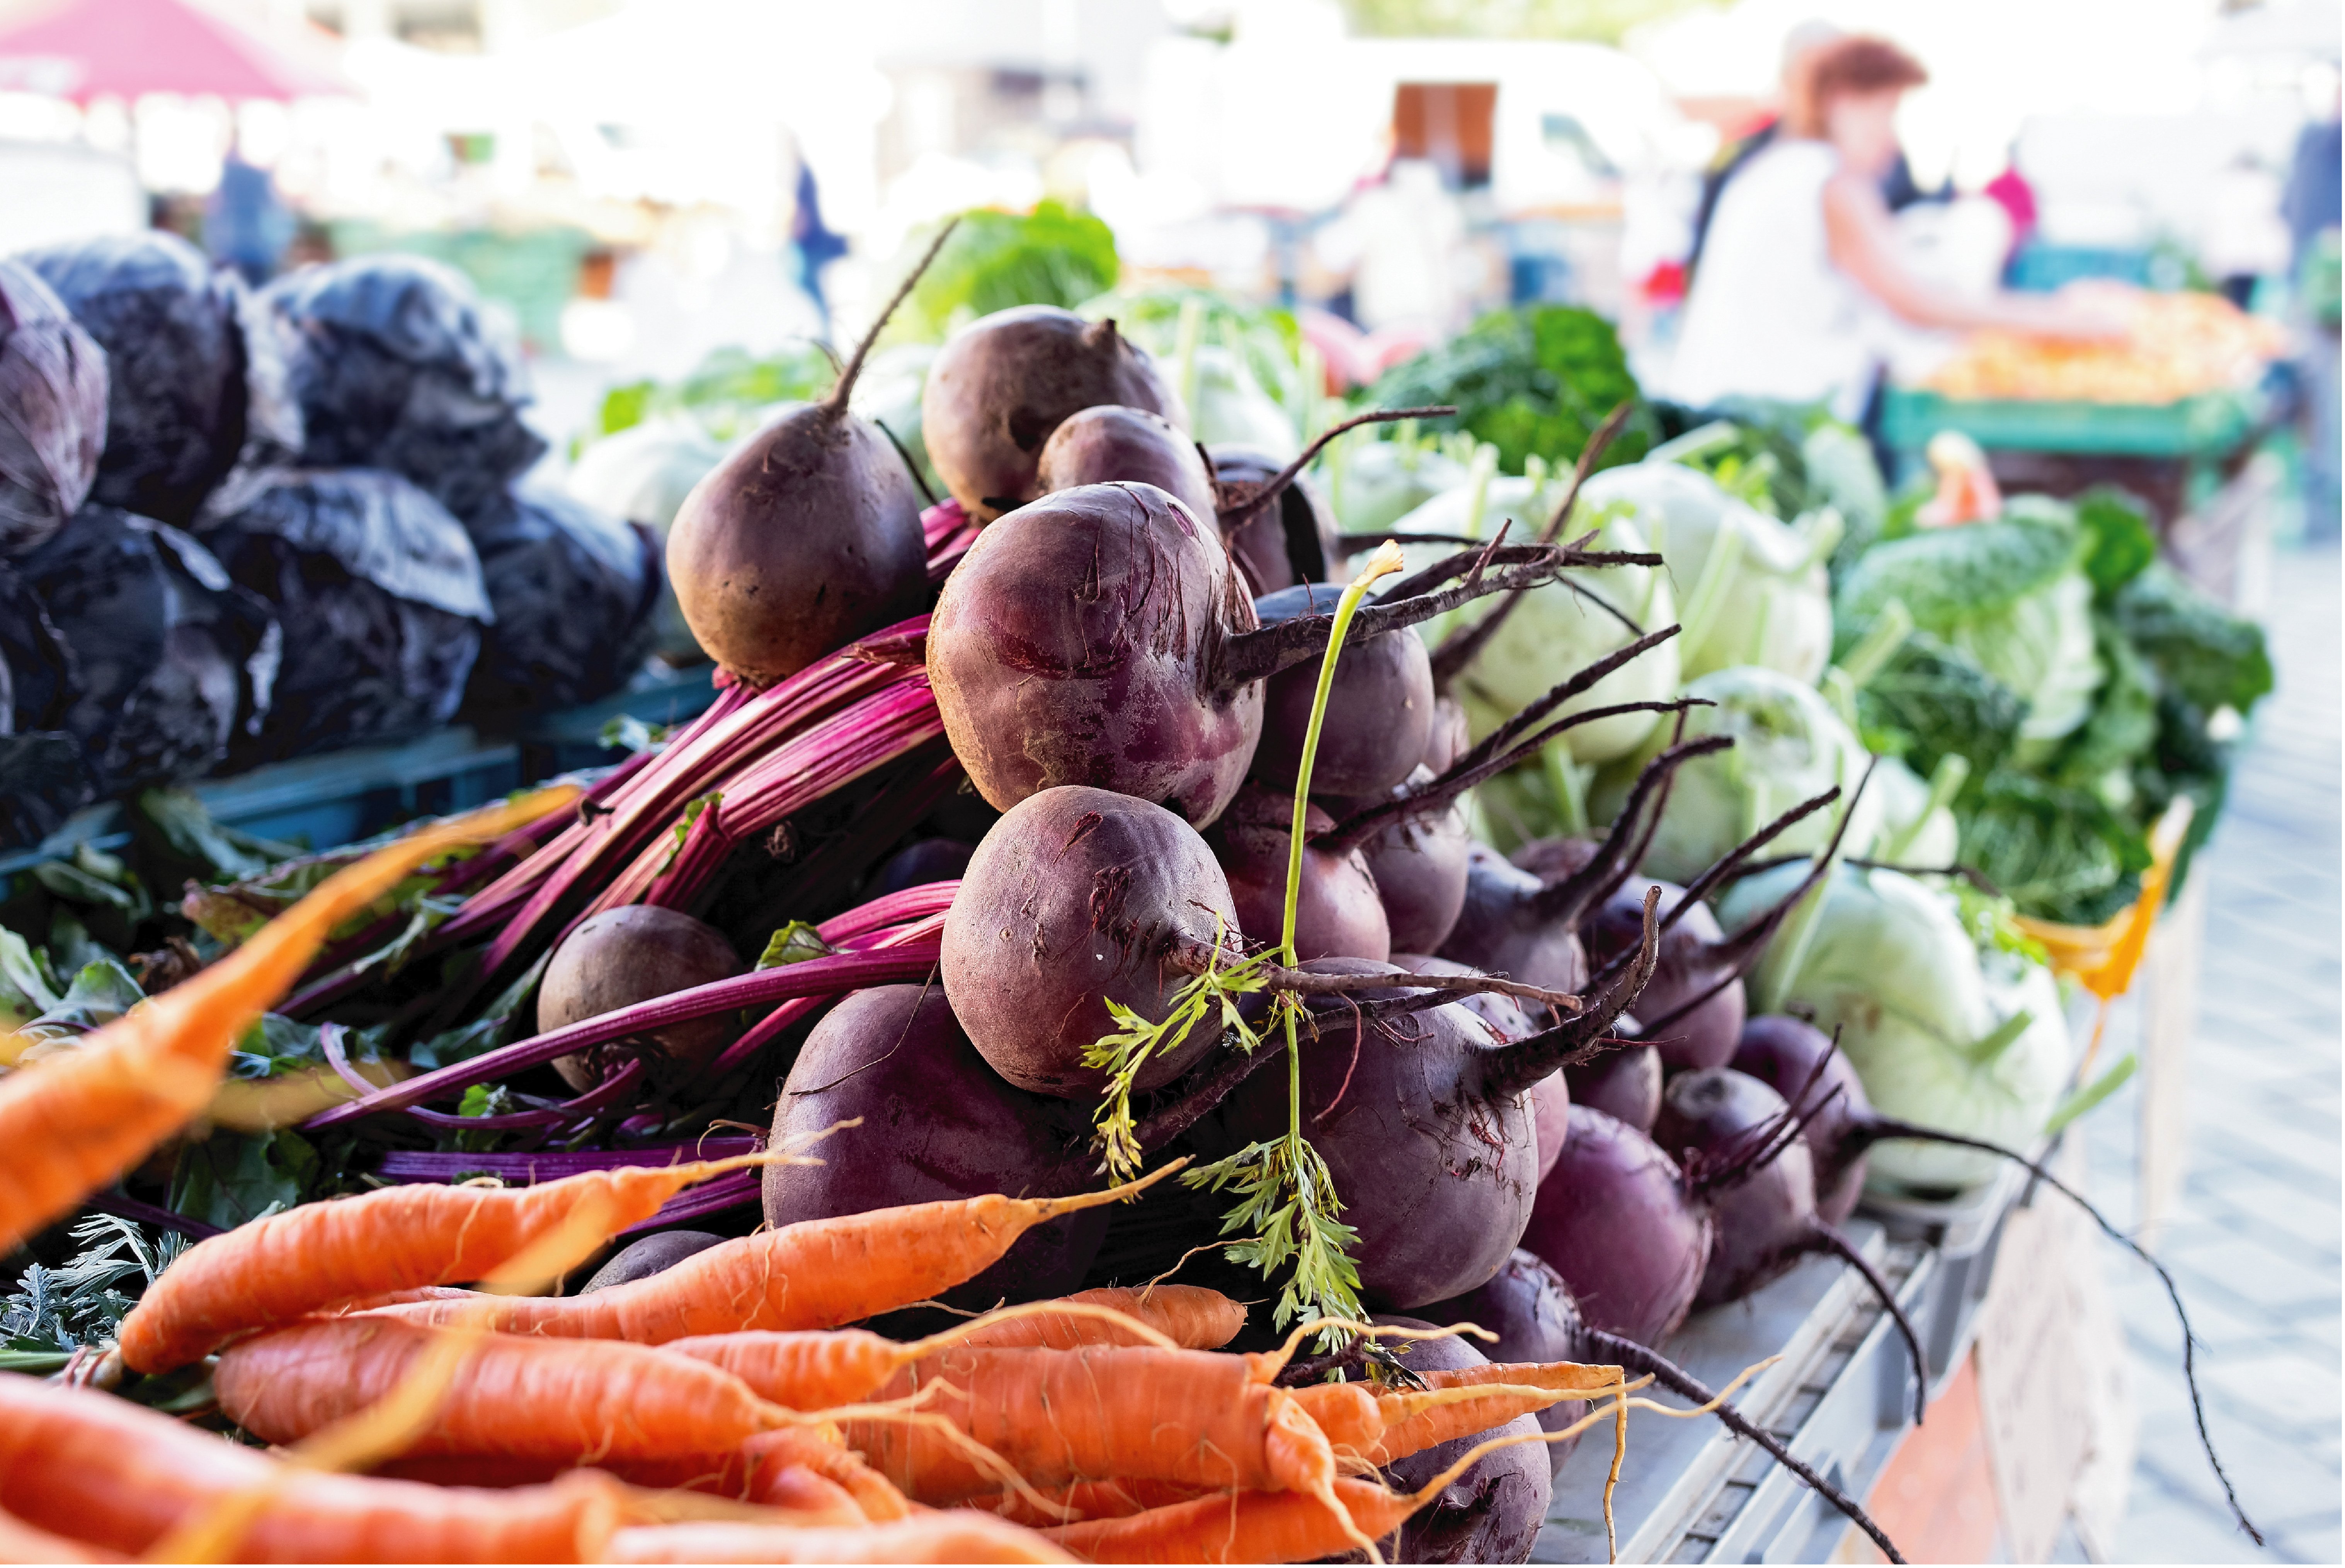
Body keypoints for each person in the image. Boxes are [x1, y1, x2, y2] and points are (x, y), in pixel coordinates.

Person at [1664, 35, 2112, 424]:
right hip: (1764, 420)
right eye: (1885, 110)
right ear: (1839, 100)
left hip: (1728, 407)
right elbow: (1914, 303)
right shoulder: (1829, 181)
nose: (1890, 136)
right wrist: (2057, 320)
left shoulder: (1779, 168)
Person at [1684, 21, 1928, 281]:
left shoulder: (1874, 152)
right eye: (1814, 78)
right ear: (1787, 83)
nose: (1820, 92)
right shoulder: (1754, 160)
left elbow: (1910, 212)